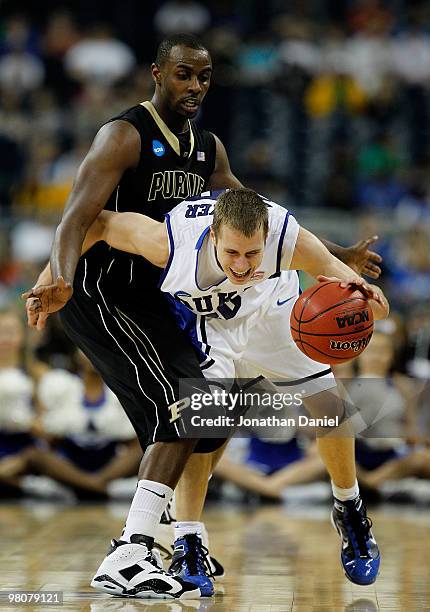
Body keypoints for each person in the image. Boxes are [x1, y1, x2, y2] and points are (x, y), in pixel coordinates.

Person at [24, 33, 383, 597]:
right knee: (190, 411)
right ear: (157, 74)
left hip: (200, 304)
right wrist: (57, 277)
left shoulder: (217, 162)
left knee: (231, 418)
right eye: (183, 75)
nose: (194, 87)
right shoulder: (127, 144)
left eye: (204, 77)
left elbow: (258, 216)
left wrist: (341, 264)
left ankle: (333, 511)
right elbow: (84, 219)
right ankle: (149, 546)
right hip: (106, 293)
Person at [27, 188, 389, 590]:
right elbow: (98, 223)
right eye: (232, 253)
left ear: (267, 238)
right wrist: (51, 281)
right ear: (214, 235)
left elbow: (361, 294)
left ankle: (348, 506)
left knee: (328, 402)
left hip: (273, 312)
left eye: (252, 255)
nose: (241, 265)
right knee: (203, 420)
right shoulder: (169, 243)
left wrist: (367, 301)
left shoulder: (287, 235)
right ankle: (188, 538)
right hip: (212, 328)